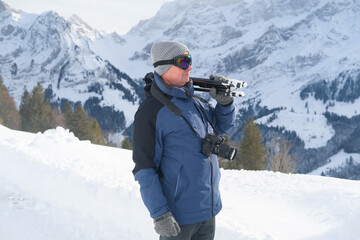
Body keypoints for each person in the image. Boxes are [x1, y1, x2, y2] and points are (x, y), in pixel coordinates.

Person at [132, 40, 235, 240]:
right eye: (183, 61)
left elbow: (223, 127)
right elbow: (144, 169)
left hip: (208, 210)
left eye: (190, 60)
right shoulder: (151, 112)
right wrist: (160, 214)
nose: (190, 67)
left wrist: (225, 104)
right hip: (178, 218)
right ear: (163, 67)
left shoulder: (195, 100)